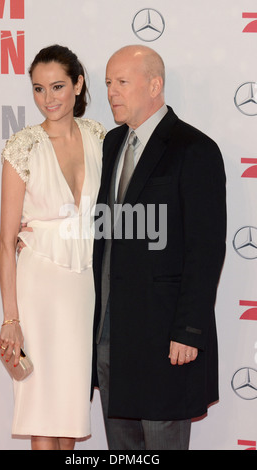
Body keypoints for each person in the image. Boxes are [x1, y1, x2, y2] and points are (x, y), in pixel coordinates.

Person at [91, 45, 226, 450]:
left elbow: (205, 249)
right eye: (109, 83)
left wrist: (189, 330)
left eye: (123, 82)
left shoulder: (194, 148)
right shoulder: (113, 143)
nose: (112, 92)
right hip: (112, 336)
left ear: (155, 85)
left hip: (166, 338)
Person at [0, 44, 105, 450]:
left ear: (78, 84)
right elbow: (7, 241)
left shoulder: (99, 137)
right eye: (39, 89)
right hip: (38, 283)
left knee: (69, 406)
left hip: (83, 285)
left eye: (58, 86)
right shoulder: (22, 146)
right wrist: (11, 318)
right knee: (43, 406)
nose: (49, 99)